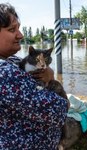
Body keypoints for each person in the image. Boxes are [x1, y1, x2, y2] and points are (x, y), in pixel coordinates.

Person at [0, 3, 68, 150]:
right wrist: (50, 79)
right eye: (12, 29)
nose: (20, 35)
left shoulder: (12, 60)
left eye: (19, 28)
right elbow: (59, 111)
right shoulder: (5, 73)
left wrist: (49, 75)